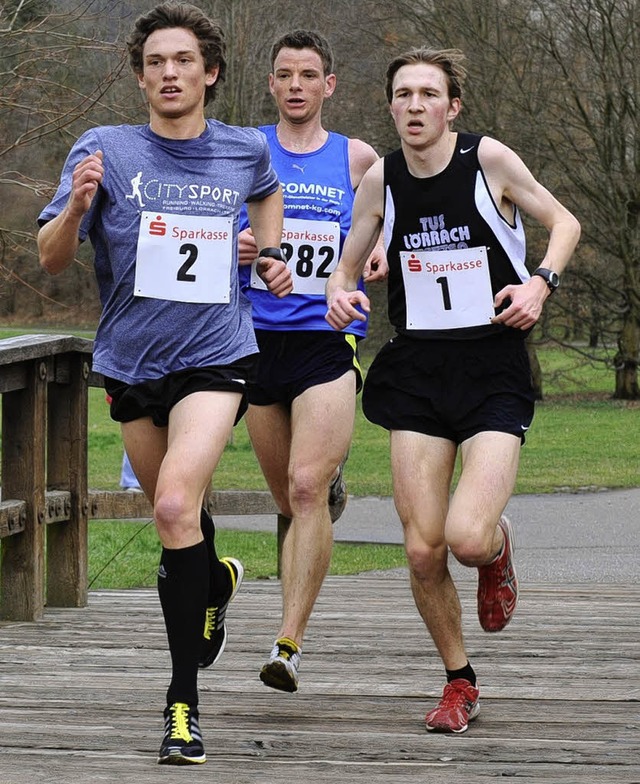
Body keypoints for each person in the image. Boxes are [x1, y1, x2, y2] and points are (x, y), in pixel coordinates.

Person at [37, 1, 291, 765]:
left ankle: (182, 704)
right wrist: (78, 206)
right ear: (142, 76)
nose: (169, 73)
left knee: (177, 503)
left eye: (183, 61)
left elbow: (268, 188)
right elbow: (51, 257)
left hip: (216, 353)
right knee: (178, 520)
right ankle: (212, 578)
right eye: (155, 62)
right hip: (131, 360)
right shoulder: (105, 149)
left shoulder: (242, 148)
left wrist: (268, 252)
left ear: (209, 73)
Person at [326, 47, 580, 733]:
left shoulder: (488, 161)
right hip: (417, 371)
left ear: (452, 106)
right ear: (389, 105)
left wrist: (540, 283)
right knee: (420, 547)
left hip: (492, 367)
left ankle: (497, 552)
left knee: (465, 538)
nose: (414, 106)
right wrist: (341, 297)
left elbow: (565, 224)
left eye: (428, 94)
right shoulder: (381, 178)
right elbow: (345, 271)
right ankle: (458, 681)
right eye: (402, 94)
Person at [237, 30, 387, 694]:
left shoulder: (357, 157)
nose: (296, 85)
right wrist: (233, 243)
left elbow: (396, 218)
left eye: (309, 75)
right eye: (284, 75)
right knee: (291, 499)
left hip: (327, 338)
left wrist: (380, 250)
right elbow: (206, 227)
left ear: (329, 85)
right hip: (253, 340)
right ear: (270, 84)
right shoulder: (245, 151)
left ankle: (287, 644)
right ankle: (326, 496)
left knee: (302, 490)